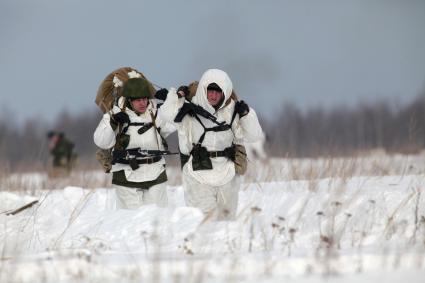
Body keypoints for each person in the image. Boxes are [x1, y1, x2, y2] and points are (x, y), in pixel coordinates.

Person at [159, 69, 264, 220]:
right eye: (210, 91)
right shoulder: (189, 107)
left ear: (224, 92)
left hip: (227, 173)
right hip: (197, 175)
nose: (213, 96)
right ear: (204, 90)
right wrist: (179, 96)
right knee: (201, 223)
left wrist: (247, 114)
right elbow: (166, 114)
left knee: (226, 225)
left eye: (218, 92)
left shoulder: (233, 110)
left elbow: (254, 136)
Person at [93, 77, 175, 209]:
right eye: (138, 100)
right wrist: (113, 122)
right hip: (126, 176)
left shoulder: (156, 113)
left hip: (155, 173)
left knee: (157, 218)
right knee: (130, 221)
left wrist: (171, 100)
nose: (143, 103)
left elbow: (175, 122)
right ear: (129, 100)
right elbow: (101, 141)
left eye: (145, 99)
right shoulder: (115, 114)